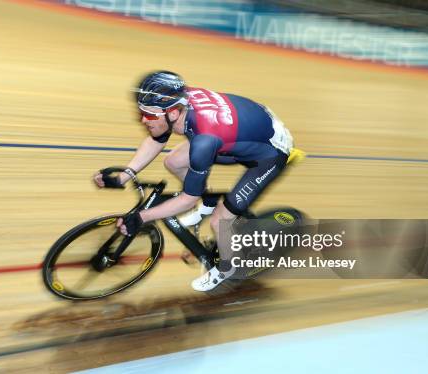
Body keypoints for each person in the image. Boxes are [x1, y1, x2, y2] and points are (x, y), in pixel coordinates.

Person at [93, 71, 294, 292]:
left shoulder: (204, 140)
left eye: (150, 115)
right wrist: (124, 176)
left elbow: (188, 200)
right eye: (142, 112)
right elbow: (156, 139)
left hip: (269, 154)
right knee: (174, 162)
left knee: (220, 220)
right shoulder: (177, 102)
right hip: (249, 125)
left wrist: (142, 217)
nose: (143, 119)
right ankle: (207, 202)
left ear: (173, 113)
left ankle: (228, 270)